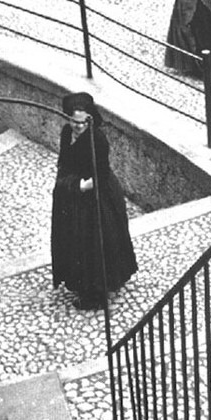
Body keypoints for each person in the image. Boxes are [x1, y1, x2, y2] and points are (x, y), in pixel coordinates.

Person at [51, 92, 137, 309]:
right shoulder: (66, 133)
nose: (78, 126)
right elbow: (64, 162)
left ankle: (95, 294)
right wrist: (70, 184)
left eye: (82, 122)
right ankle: (82, 283)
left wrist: (78, 185)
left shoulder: (97, 139)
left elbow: (99, 174)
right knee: (75, 241)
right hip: (76, 190)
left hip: (96, 195)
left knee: (93, 243)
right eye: (74, 121)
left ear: (90, 119)